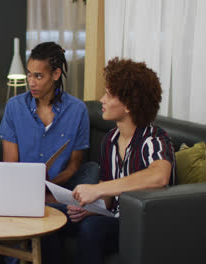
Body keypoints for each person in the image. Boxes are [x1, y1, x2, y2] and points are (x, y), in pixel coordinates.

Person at [66, 57, 175, 264]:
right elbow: (107, 200)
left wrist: (99, 189)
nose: (101, 100)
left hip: (143, 226)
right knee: (55, 219)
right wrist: (90, 207)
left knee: (92, 228)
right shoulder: (110, 140)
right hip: (113, 218)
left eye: (108, 94)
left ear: (128, 105)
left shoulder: (155, 139)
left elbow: (160, 176)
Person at [0, 42, 95, 200]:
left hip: (58, 193)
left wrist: (48, 185)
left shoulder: (77, 110)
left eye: (38, 76)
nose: (31, 83)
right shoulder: (14, 107)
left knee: (92, 170)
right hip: (21, 192)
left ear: (56, 74)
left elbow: (73, 166)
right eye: (29, 74)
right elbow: (10, 165)